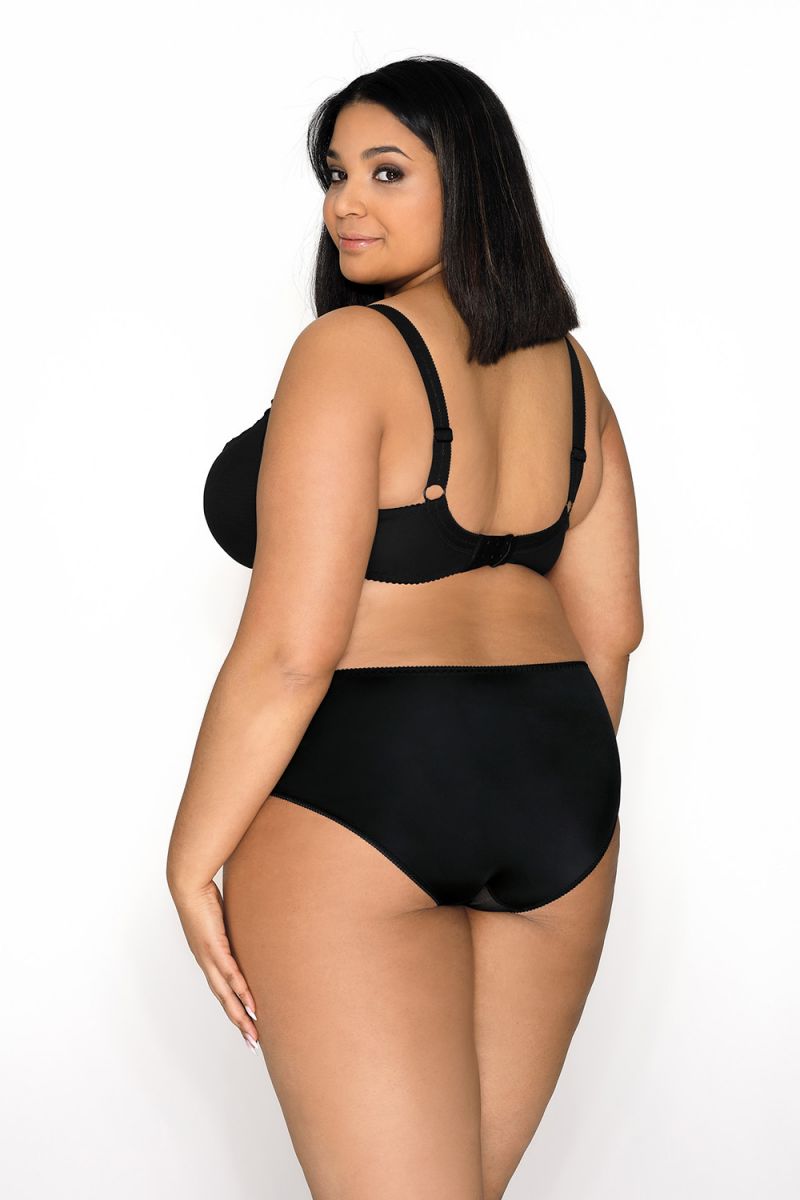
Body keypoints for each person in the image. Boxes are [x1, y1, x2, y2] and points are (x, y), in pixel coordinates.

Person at [166, 54, 643, 1200]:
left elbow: (292, 651)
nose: (346, 203)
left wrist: (190, 855)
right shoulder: (572, 375)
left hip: (368, 787)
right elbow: (613, 631)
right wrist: (534, 783)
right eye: (334, 173)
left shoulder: (349, 351)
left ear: (469, 181)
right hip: (558, 796)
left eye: (386, 171)